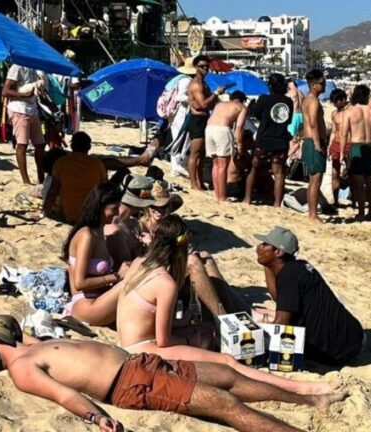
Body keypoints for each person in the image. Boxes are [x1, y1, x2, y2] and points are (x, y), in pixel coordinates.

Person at [0, 316, 348, 432]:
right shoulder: (22, 368)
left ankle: (311, 398)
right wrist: (97, 417)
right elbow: (63, 395)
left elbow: (12, 324)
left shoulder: (25, 346)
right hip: (132, 384)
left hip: (141, 364)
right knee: (225, 404)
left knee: (227, 376)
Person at [116, 216, 344, 397]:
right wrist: (188, 339)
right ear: (182, 246)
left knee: (204, 331)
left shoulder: (138, 263)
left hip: (125, 341)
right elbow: (163, 341)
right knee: (227, 361)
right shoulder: (165, 283)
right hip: (142, 349)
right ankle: (301, 388)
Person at [253, 227, 364, 367]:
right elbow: (279, 298)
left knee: (258, 327)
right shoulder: (299, 267)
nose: (258, 247)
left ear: (278, 252)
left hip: (336, 353)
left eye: (264, 244)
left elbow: (281, 325)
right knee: (260, 312)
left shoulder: (289, 277)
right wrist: (267, 264)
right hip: (352, 337)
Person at [62, 182, 128, 326]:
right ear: (100, 208)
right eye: (114, 209)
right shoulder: (87, 235)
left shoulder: (99, 231)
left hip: (99, 299)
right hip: (86, 305)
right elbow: (80, 283)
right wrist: (116, 276)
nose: (117, 213)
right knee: (131, 283)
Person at [242, 73, 294, 207]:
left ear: (270, 85)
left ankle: (247, 199)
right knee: (279, 173)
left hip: (264, 139)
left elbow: (256, 115)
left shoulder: (264, 99)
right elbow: (287, 120)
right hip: (281, 139)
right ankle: (277, 203)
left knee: (254, 168)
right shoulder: (288, 102)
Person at [42, 132, 107, 224]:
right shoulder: (97, 164)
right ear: (89, 147)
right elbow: (105, 189)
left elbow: (53, 192)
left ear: (72, 146)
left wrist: (44, 212)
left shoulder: (61, 163)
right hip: (91, 215)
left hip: (71, 215)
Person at [340, 85, 371, 221]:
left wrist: (342, 152)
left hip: (356, 147)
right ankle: (370, 211)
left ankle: (361, 212)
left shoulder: (350, 112)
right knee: (370, 182)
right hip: (370, 147)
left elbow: (344, 134)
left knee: (358, 183)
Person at [2, 63, 46, 184]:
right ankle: (25, 180)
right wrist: (24, 95)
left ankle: (41, 178)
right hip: (19, 109)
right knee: (22, 144)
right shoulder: (17, 67)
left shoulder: (35, 67)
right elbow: (5, 91)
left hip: (32, 109)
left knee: (40, 144)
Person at [187, 55, 225, 191]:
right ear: (196, 67)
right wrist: (215, 94)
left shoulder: (203, 83)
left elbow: (205, 104)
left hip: (203, 118)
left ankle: (200, 181)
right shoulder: (196, 84)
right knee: (195, 153)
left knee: (202, 154)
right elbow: (202, 104)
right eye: (202, 66)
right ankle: (193, 183)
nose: (205, 69)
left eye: (207, 66)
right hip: (197, 119)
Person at [205, 90, 248, 202]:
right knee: (223, 166)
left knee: (216, 164)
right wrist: (239, 146)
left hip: (209, 128)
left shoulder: (220, 104)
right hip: (222, 129)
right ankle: (222, 197)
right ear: (243, 100)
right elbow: (239, 128)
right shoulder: (241, 107)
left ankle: (217, 194)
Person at [301, 69, 329, 223]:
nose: (324, 85)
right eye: (321, 82)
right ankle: (312, 214)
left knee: (314, 179)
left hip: (311, 141)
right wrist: (318, 144)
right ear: (313, 85)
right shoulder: (312, 101)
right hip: (313, 142)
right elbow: (313, 123)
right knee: (316, 179)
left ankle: (313, 212)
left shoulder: (309, 99)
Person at [327, 89, 349, 208]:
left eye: (336, 101)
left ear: (343, 100)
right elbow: (334, 131)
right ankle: (336, 201)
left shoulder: (350, 113)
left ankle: (355, 200)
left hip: (349, 144)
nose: (335, 104)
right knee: (335, 173)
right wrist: (329, 146)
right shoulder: (334, 114)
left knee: (352, 173)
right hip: (336, 144)